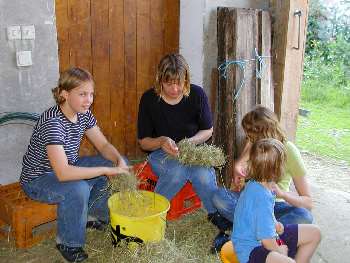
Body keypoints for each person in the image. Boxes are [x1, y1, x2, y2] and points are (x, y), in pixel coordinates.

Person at [20, 67, 129, 262]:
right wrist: (106, 169)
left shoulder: (84, 114)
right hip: (39, 179)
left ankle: (93, 216)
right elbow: (62, 173)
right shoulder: (52, 121)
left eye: (91, 94)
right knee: (77, 188)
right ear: (64, 94)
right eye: (82, 94)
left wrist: (118, 160)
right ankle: (68, 243)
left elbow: (103, 144)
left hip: (67, 166)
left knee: (114, 161)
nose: (89, 100)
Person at [137, 53, 223, 225]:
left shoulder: (197, 94)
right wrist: (162, 141)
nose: (175, 89)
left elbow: (208, 130)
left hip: (193, 151)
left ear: (186, 79)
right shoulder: (149, 99)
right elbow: (144, 142)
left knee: (204, 176)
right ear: (160, 80)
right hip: (161, 154)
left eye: (179, 83)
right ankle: (152, 216)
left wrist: (189, 143)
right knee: (177, 172)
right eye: (169, 84)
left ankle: (216, 216)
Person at [211, 106, 314, 250]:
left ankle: (244, 233)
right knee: (218, 196)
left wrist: (282, 194)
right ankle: (263, 236)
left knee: (305, 216)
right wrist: (238, 168)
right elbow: (239, 174)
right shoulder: (254, 144)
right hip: (250, 204)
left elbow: (308, 202)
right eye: (248, 136)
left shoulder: (289, 151)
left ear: (268, 133)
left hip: (275, 206)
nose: (250, 139)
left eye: (252, 136)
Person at [231, 138, 321, 263]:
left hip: (267, 237)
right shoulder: (259, 195)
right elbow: (266, 240)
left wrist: (274, 223)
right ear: (276, 170)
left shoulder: (266, 185)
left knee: (315, 233)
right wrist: (280, 251)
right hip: (251, 249)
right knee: (288, 262)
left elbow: (266, 217)